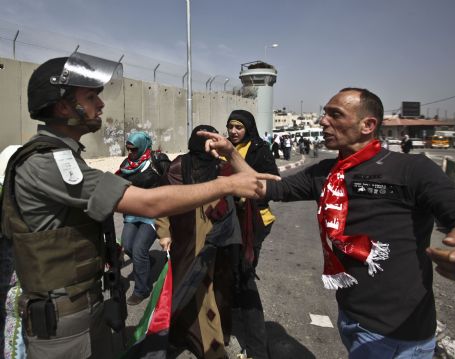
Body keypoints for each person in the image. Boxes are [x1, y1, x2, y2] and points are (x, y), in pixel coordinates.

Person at [0, 52, 278, 359]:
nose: (101, 104)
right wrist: (227, 184)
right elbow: (148, 203)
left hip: (79, 307)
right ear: (63, 105)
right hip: (62, 321)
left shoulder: (63, 157)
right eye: (91, 96)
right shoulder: (47, 163)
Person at [199, 87, 455, 359]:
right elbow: (264, 187)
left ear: (367, 125)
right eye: (324, 114)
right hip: (350, 317)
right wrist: (230, 154)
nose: (322, 121)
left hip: (399, 334)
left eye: (335, 115)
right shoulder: (323, 173)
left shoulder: (411, 170)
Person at [156, 125, 242, 359]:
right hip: (188, 237)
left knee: (215, 286)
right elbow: (162, 201)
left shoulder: (222, 166)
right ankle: (210, 347)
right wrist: (163, 232)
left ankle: (197, 335)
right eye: (202, 139)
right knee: (195, 285)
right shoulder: (178, 166)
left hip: (219, 237)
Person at [226, 110, 279, 359]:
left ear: (248, 128)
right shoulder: (226, 148)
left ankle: (256, 347)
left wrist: (244, 188)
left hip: (255, 219)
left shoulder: (259, 149)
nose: (234, 132)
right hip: (231, 220)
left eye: (238, 127)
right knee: (234, 267)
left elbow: (272, 182)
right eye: (231, 127)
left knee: (246, 269)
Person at [115, 131, 170, 306]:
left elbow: (170, 184)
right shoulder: (127, 164)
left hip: (153, 214)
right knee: (128, 246)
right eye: (128, 149)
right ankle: (147, 261)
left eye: (134, 149)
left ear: (144, 146)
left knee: (139, 249)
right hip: (132, 214)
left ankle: (142, 289)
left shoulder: (157, 161)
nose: (130, 153)